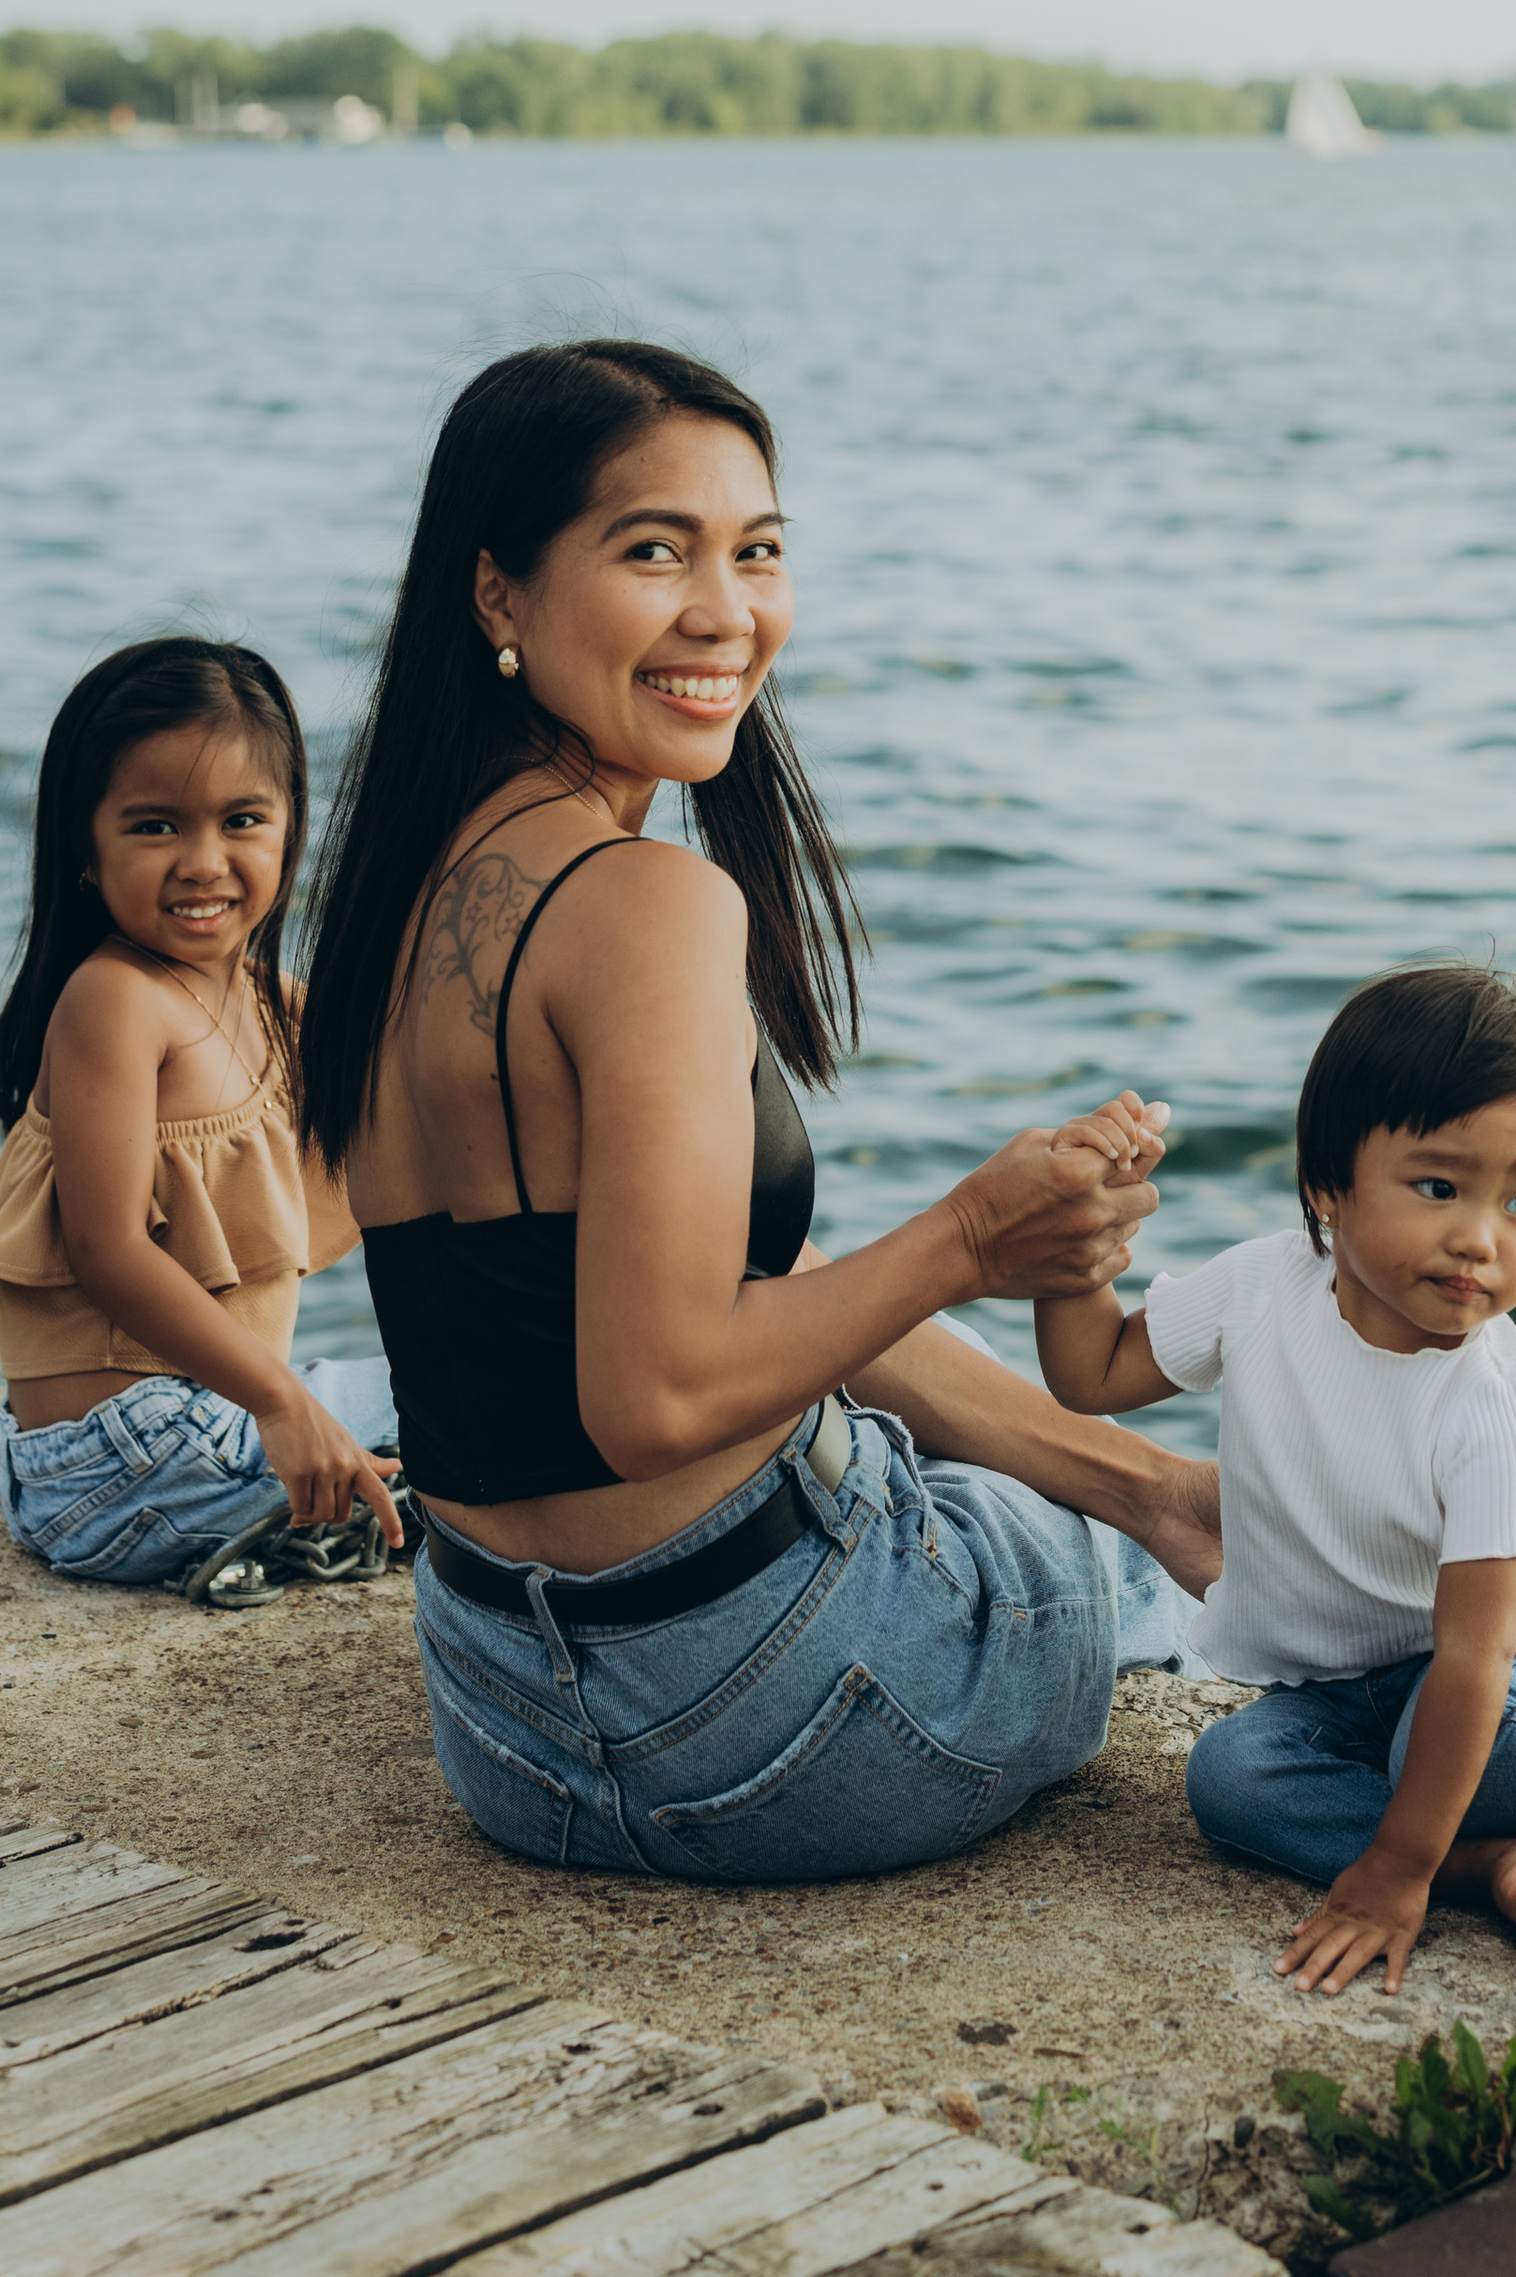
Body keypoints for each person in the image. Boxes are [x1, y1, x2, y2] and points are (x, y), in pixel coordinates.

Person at [297, 338, 1221, 1883]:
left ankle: (1166, 1499)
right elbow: (655, 1402)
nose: (727, 611)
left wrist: (1145, 1474)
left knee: (1018, 1459)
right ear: (498, 595)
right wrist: (973, 1237)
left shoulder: (394, 887)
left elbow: (680, 1297)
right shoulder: (643, 903)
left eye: (759, 551)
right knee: (1116, 1562)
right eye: (655, 551)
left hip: (509, 1729)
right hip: (785, 1726)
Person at [1035, 964, 1516, 1992]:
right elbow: (1090, 1375)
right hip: (1341, 1682)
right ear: (1327, 1183)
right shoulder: (1259, 1288)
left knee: (1459, 1753)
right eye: (1439, 1187)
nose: (1479, 1238)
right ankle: (1491, 1860)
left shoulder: (1489, 1398)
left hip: (1507, 1652)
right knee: (1232, 1778)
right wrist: (1077, 1242)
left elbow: (1473, 1659)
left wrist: (1393, 1877)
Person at [0, 637, 405, 1593]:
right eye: (156, 826)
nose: (205, 863)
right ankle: (333, 1514)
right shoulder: (115, 1000)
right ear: (85, 848)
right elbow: (109, 1251)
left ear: (290, 827)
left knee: (478, 1377)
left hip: (191, 1430)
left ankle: (320, 1511)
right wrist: (283, 1404)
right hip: (122, 1461)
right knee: (487, 1437)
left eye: (242, 820)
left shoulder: (264, 1000)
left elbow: (426, 1092)